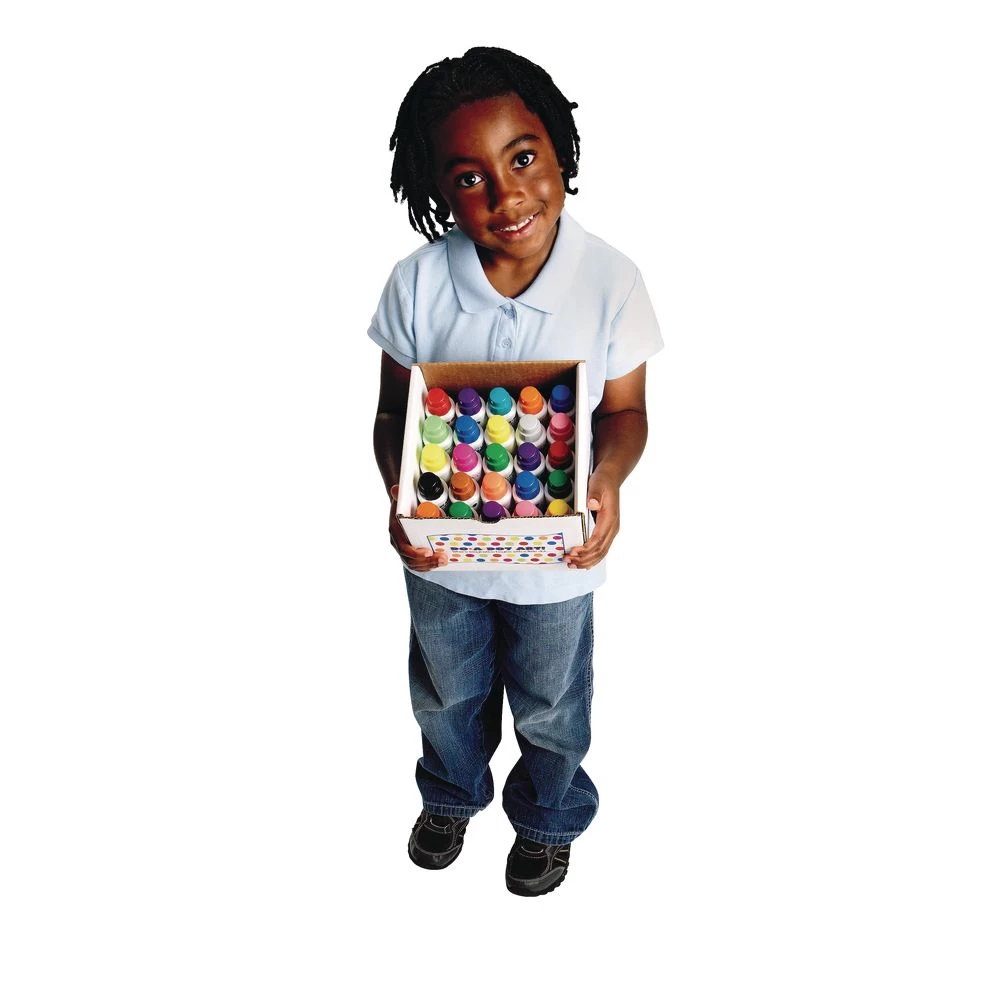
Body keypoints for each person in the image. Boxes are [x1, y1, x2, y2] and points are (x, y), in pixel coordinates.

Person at [369, 46, 663, 896]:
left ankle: (547, 815)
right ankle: (451, 794)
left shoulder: (609, 280)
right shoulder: (417, 284)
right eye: (469, 177)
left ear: (560, 147)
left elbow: (625, 413)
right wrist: (401, 496)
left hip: (558, 559)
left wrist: (607, 481)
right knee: (445, 693)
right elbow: (394, 415)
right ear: (434, 189)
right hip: (443, 556)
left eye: (523, 157)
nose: (506, 196)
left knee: (552, 701)